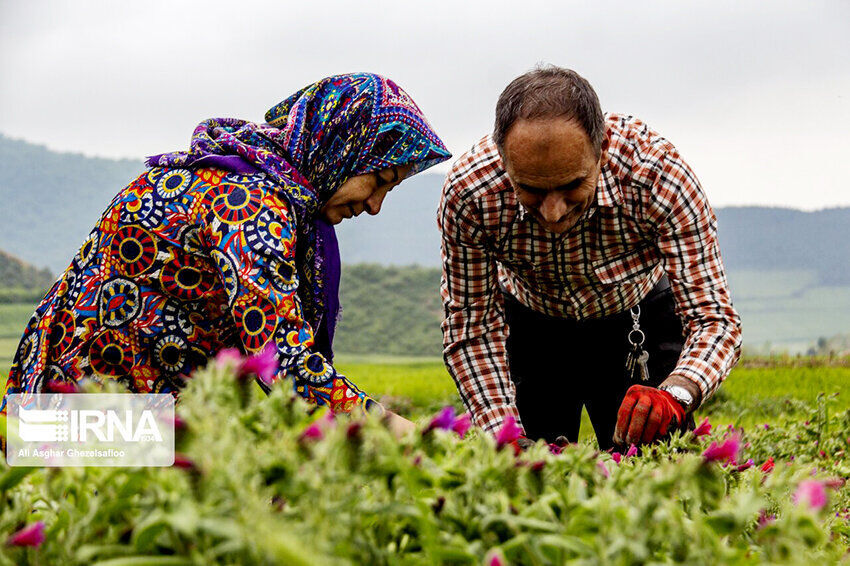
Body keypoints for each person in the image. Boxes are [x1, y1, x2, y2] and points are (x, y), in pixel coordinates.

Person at [1, 73, 450, 437]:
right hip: (93, 406)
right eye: (379, 179)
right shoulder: (248, 204)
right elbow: (284, 359)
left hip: (103, 403)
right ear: (342, 148)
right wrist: (405, 432)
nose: (374, 205)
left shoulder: (241, 177)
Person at [438, 65, 741, 450]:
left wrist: (678, 393)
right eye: (530, 189)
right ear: (503, 160)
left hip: (637, 322)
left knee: (657, 477)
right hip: (532, 328)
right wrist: (503, 433)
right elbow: (472, 328)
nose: (552, 212)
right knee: (527, 481)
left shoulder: (656, 176)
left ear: (603, 150)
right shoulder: (472, 193)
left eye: (571, 186)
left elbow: (713, 319)